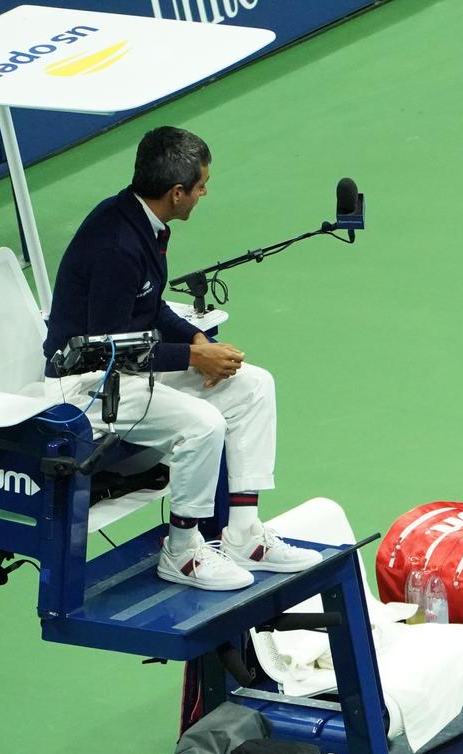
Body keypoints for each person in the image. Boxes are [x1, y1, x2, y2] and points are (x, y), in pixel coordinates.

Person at [43, 126, 321, 591]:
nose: (204, 192)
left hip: (122, 369)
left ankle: (244, 535)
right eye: (200, 186)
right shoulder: (117, 245)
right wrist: (194, 360)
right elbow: (107, 348)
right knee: (203, 424)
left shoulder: (143, 223)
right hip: (86, 387)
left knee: (253, 386)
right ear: (176, 193)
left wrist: (197, 341)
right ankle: (184, 551)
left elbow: (148, 311)